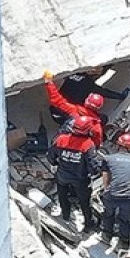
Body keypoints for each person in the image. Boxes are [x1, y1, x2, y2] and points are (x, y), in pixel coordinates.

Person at [42, 70, 105, 231]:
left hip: (63, 172)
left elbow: (56, 100)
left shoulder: (72, 115)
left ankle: (65, 217)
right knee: (85, 200)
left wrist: (49, 82)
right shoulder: (93, 130)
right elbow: (96, 148)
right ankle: (88, 224)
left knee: (63, 193)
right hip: (80, 175)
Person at [99, 132, 130, 251]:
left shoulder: (108, 159)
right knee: (124, 219)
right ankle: (125, 241)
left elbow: (105, 178)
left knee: (108, 214)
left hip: (112, 195)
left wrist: (107, 190)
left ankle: (107, 235)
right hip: (128, 196)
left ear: (118, 145)